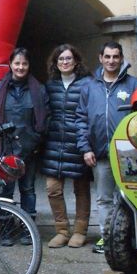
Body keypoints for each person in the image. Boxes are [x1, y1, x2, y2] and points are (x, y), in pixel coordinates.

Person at [76, 40, 137, 254]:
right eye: (108, 56)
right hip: (100, 154)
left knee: (130, 198)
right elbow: (80, 119)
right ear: (100, 58)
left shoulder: (134, 85)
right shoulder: (89, 86)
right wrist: (85, 148)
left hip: (128, 155)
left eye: (116, 56)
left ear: (122, 59)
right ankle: (108, 238)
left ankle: (132, 238)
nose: (111, 60)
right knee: (104, 199)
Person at [0, 47, 49, 245]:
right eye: (17, 63)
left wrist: (31, 144)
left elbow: (44, 121)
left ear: (29, 65)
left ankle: (27, 230)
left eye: (24, 63)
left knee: (28, 190)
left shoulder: (39, 90)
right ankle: (5, 230)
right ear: (10, 64)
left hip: (29, 150)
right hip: (5, 151)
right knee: (5, 191)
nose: (20, 67)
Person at [40, 44, 92, 249]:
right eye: (60, 59)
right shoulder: (50, 85)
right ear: (55, 63)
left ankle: (80, 231)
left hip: (78, 142)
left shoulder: (87, 84)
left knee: (81, 189)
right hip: (54, 142)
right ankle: (62, 230)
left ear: (76, 61)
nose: (64, 62)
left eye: (68, 58)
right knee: (53, 188)